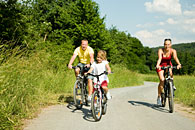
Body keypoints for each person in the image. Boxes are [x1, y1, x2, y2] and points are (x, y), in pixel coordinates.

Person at [156, 38, 181, 106]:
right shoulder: (160, 50)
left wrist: (179, 64)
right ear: (164, 44)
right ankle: (159, 97)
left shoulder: (173, 51)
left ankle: (172, 85)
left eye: (168, 44)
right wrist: (158, 65)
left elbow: (175, 58)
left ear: (171, 45)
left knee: (171, 73)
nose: (167, 46)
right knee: (162, 80)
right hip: (161, 66)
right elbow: (160, 58)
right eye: (165, 44)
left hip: (168, 65)